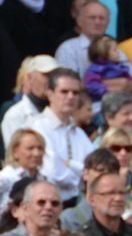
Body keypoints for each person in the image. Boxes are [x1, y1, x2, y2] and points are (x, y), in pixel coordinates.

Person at [27, 68, 94, 203]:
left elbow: (95, 169)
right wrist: (80, 172)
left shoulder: (79, 133)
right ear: (50, 94)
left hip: (80, 202)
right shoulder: (38, 127)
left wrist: (69, 164)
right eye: (64, 92)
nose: (70, 97)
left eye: (75, 92)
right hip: (48, 203)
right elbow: (52, 172)